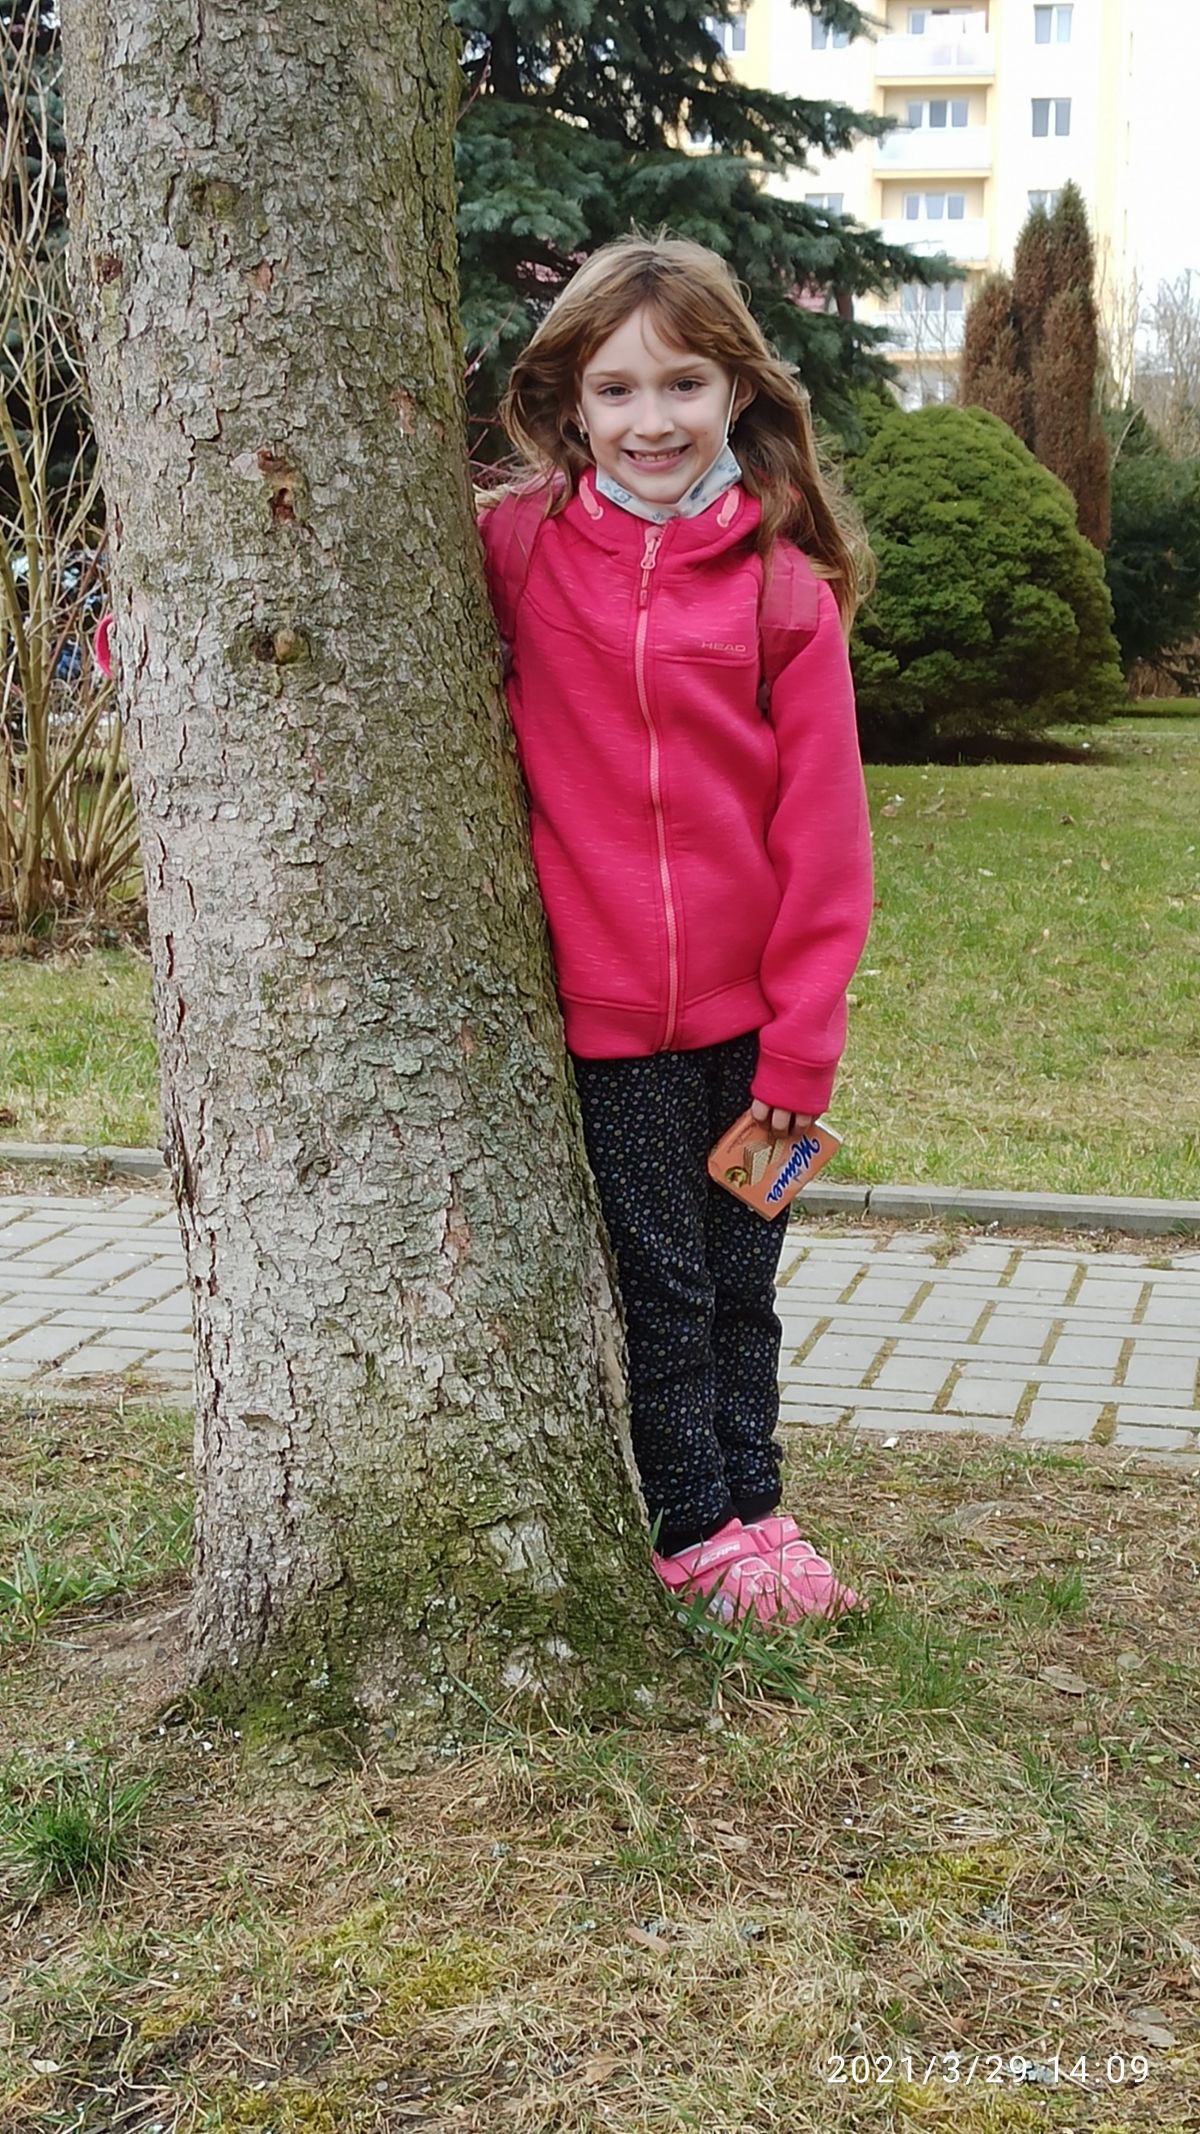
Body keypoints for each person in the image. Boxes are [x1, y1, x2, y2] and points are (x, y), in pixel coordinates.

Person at [477, 236, 873, 1628]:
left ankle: (760, 1503)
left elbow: (826, 840)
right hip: (611, 1032)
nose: (652, 420)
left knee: (744, 1283)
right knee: (665, 1286)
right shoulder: (522, 549)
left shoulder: (781, 588)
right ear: (572, 404)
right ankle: (695, 1527)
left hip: (756, 1033)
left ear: (737, 392)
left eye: (684, 383)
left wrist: (803, 1048)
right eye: (617, 389)